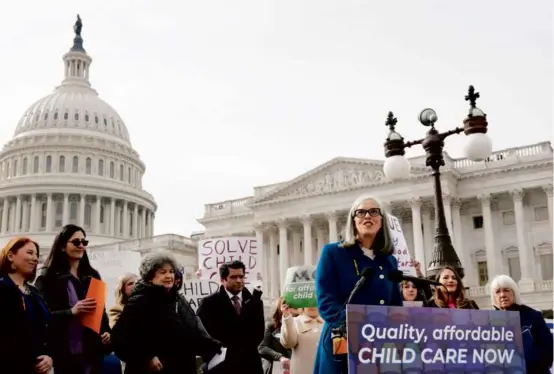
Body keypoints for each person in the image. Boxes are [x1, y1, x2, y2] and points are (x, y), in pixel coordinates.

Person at [313, 195, 403, 374]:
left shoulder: (389, 261)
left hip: (379, 346)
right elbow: (326, 302)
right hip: (344, 343)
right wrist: (358, 329)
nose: (367, 216)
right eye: (361, 212)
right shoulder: (333, 253)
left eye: (373, 212)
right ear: (353, 220)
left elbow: (395, 306)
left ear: (381, 221)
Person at [111, 252, 223, 374]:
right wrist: (145, 358)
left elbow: (192, 333)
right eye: (163, 272)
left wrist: (216, 347)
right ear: (149, 276)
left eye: (171, 271)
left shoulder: (179, 300)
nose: (169, 276)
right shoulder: (140, 301)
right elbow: (120, 340)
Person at [35, 224, 111, 374]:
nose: (81, 246)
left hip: (92, 355)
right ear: (63, 246)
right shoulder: (47, 278)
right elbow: (42, 316)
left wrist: (106, 332)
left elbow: (101, 312)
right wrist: (71, 312)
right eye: (76, 242)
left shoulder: (92, 276)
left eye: (84, 242)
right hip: (63, 354)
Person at [197, 260, 265, 374]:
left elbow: (259, 334)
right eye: (233, 277)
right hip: (222, 367)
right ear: (223, 280)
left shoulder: (256, 303)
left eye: (241, 276)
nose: (239, 280)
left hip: (251, 366)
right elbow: (203, 335)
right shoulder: (208, 303)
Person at [0, 237, 53, 374]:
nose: (35, 258)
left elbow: (47, 328)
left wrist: (49, 356)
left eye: (36, 254)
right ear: (11, 256)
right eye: (30, 253)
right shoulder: (2, 288)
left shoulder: (34, 292)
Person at [490, 275, 553, 373]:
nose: (502, 295)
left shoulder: (533, 316)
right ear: (494, 297)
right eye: (497, 292)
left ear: (514, 293)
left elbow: (548, 352)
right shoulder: (488, 322)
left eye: (506, 290)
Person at [280, 305, 323, 374]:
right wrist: (287, 318)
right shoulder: (294, 321)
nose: (312, 306)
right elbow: (289, 343)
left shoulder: (329, 323)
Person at [258, 297, 292, 374]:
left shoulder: (298, 323)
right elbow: (262, 347)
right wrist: (280, 357)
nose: (288, 309)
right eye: (285, 306)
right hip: (277, 367)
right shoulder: (271, 326)